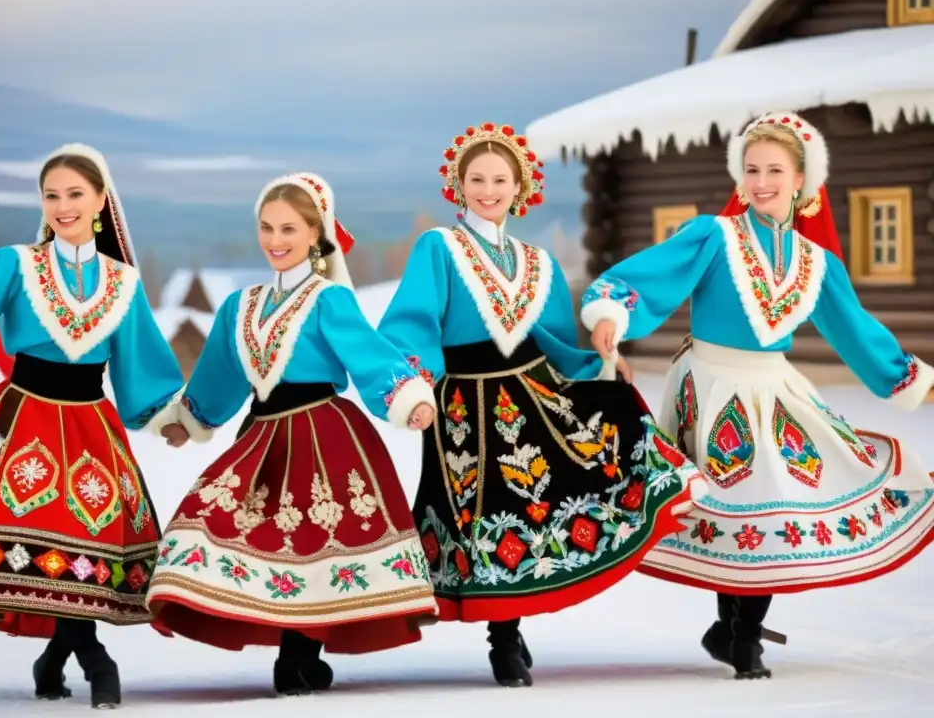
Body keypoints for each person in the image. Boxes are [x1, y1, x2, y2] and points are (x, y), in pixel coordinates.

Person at [581, 111, 934, 680]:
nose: (761, 181)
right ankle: (738, 634)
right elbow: (649, 276)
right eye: (751, 170)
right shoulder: (712, 236)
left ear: (802, 180)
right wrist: (611, 314)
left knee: (773, 501)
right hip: (712, 386)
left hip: (774, 390)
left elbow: (855, 331)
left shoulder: (817, 264)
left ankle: (739, 633)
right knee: (732, 499)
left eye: (775, 170)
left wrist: (906, 375)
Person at [376, 122, 702, 687]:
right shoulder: (439, 247)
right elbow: (412, 322)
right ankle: (502, 636)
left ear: (519, 186)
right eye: (476, 178)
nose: (487, 189)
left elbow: (552, 340)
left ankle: (508, 636)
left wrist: (599, 368)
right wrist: (415, 386)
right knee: (485, 516)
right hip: (465, 408)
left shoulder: (539, 261)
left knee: (533, 509)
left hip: (530, 399)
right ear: (457, 185)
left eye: (499, 179)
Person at [0, 144, 185, 708]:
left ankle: (56, 655)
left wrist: (170, 416)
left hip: (92, 424)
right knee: (46, 531)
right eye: (51, 195)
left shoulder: (123, 282)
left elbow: (140, 360)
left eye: (75, 194)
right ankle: (94, 658)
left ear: (102, 201)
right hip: (25, 419)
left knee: (87, 535)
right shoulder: (16, 263)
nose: (63, 205)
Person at [147, 172, 441, 696]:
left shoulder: (330, 300)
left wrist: (406, 399)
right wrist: (189, 419)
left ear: (315, 234)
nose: (276, 241)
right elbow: (219, 373)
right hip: (260, 437)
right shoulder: (241, 305)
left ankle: (297, 655)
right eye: (267, 228)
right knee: (244, 530)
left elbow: (368, 357)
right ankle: (298, 653)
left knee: (314, 541)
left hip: (325, 436)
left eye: (289, 229)